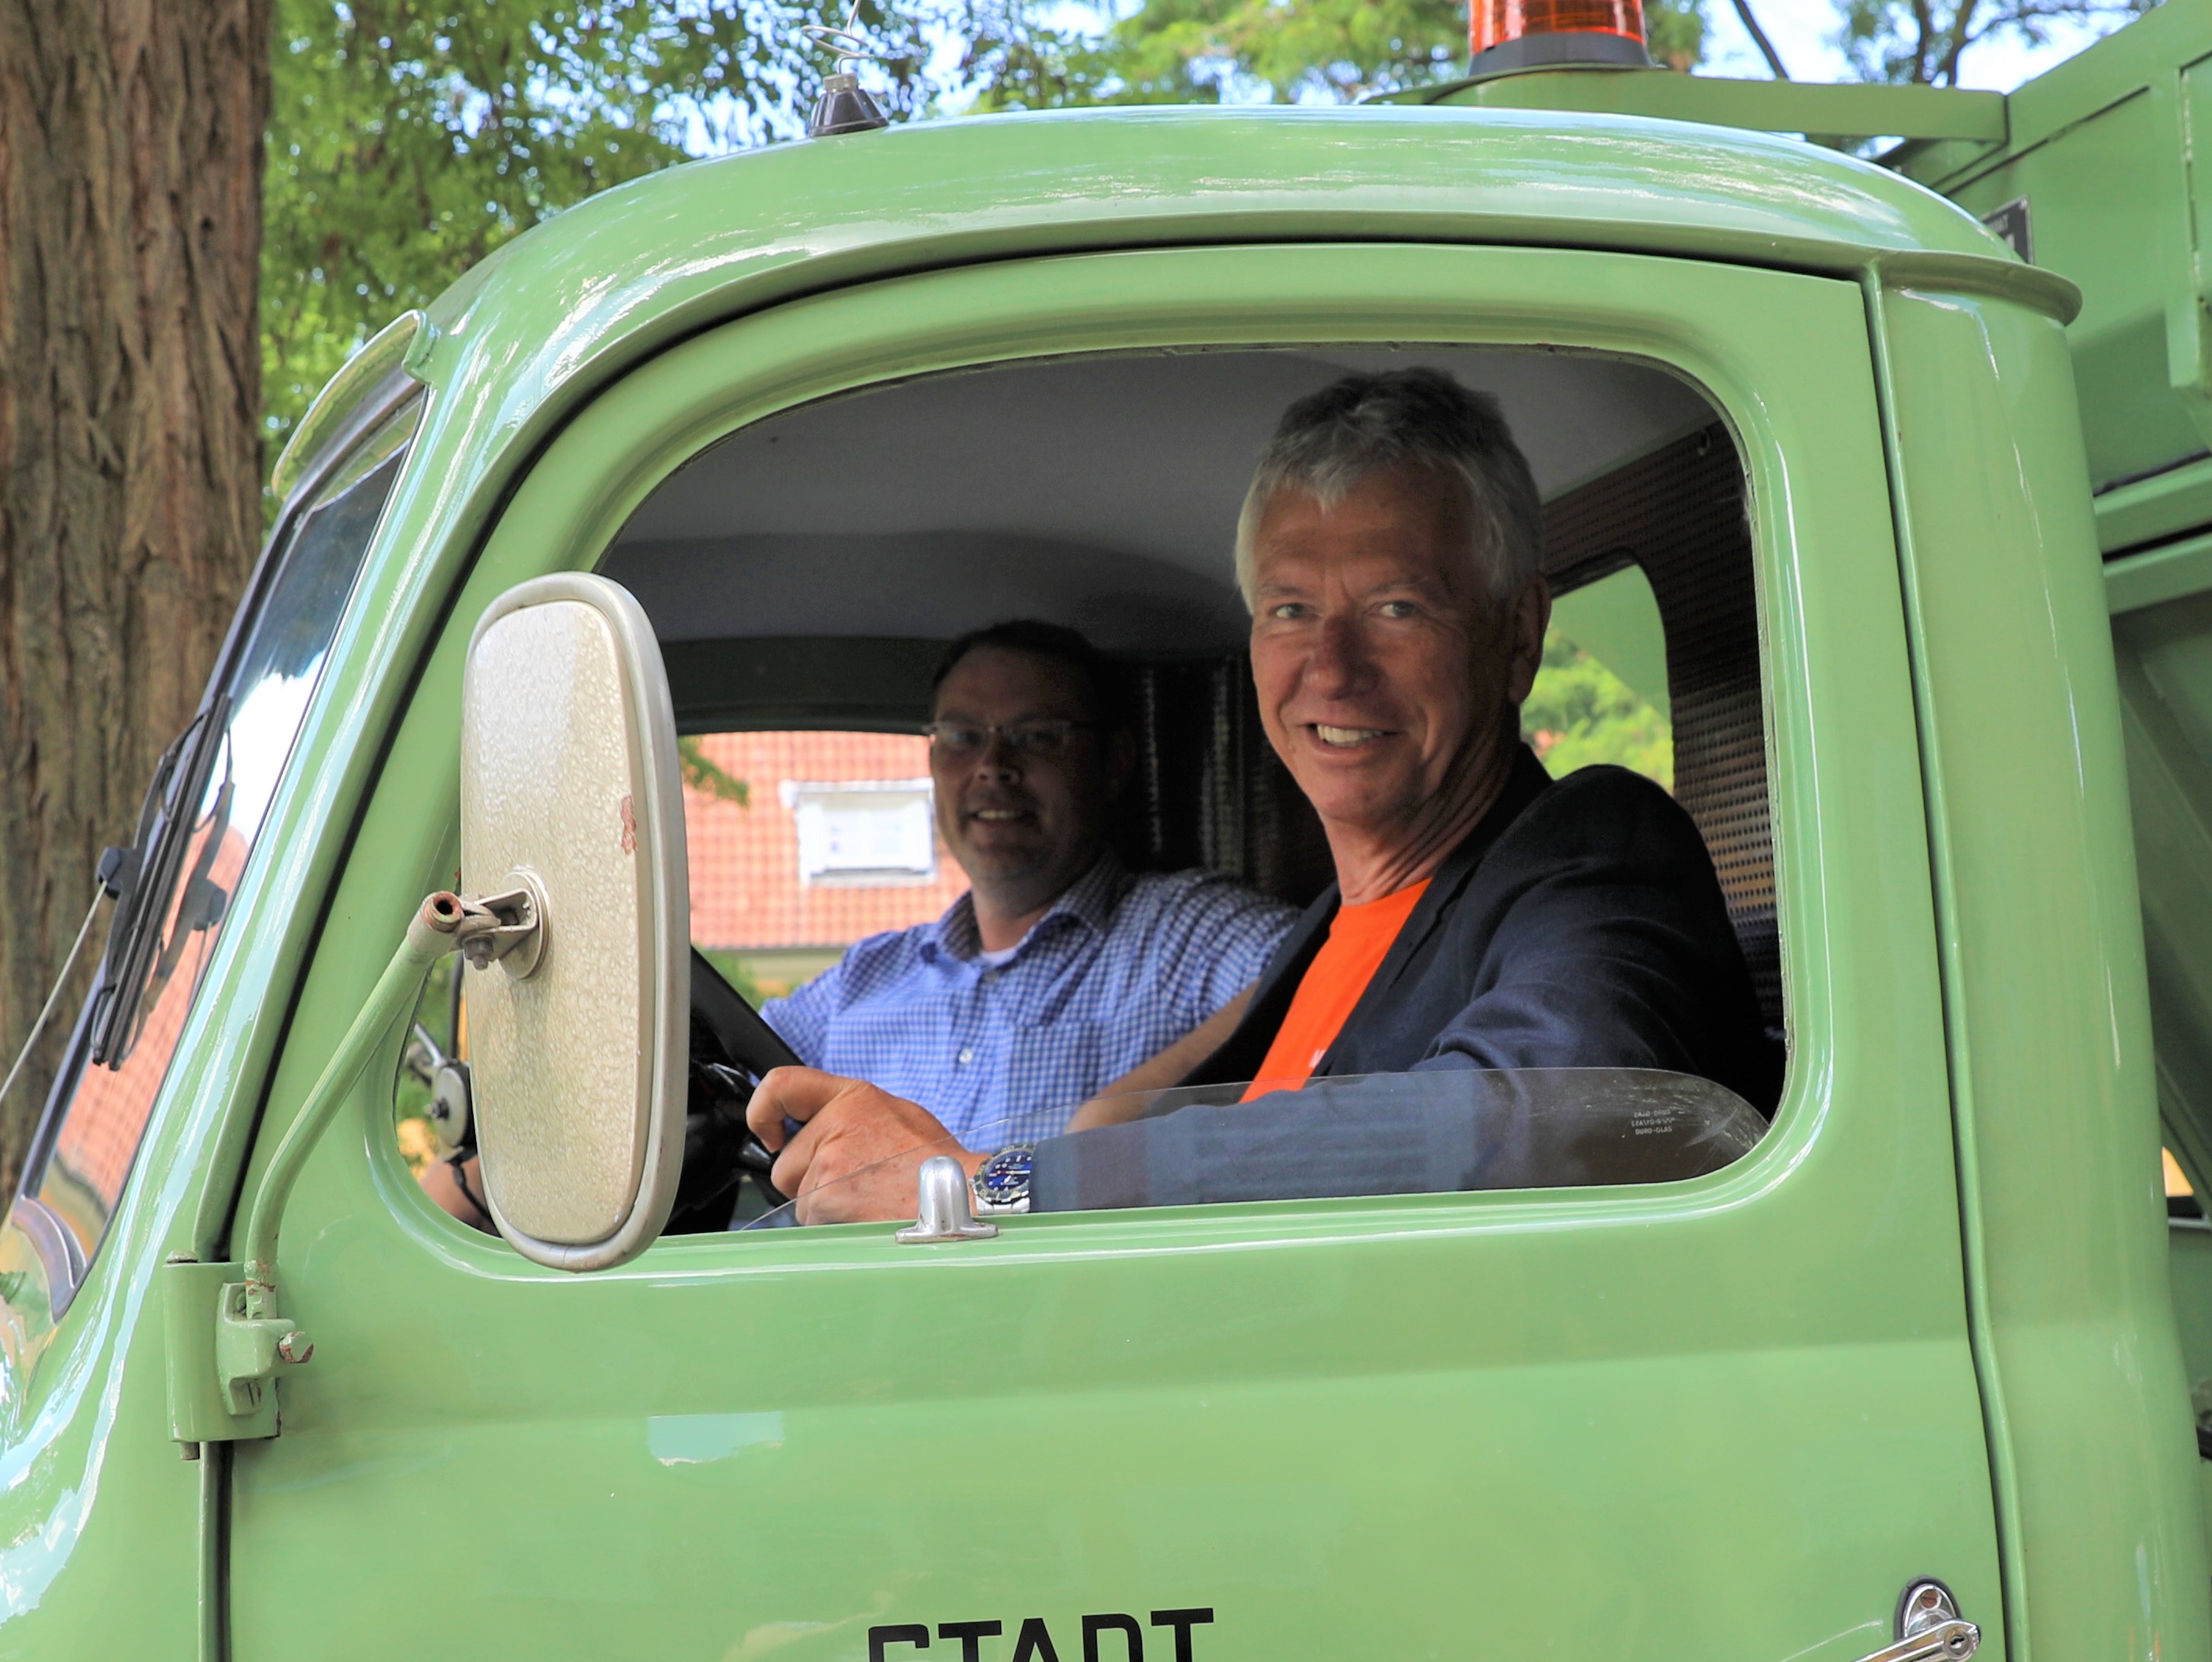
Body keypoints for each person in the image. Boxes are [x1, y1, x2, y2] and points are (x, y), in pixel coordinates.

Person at [751, 370, 1767, 1224]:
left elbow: (1543, 1118)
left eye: (1396, 606)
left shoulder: (1596, 850)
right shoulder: (1327, 932)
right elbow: (1128, 1131)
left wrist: (989, 1186)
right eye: (1290, 608)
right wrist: (1078, 1141)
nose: (1332, 668)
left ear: (1518, 636)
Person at [755, 621, 1291, 1150]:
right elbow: (729, 1066)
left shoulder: (1187, 935)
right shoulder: (864, 978)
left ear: (1113, 763)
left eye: (1037, 736)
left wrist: (1118, 1112)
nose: (993, 766)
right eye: (962, 737)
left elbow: (1327, 974)